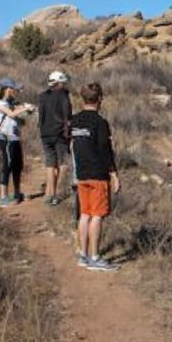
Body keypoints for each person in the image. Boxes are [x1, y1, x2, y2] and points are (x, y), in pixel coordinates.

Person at [70, 82, 121, 271]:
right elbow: (106, 151)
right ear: (99, 99)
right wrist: (114, 174)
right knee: (97, 216)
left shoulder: (74, 121)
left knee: (84, 214)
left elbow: (72, 146)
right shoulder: (100, 123)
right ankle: (95, 257)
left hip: (81, 174)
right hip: (98, 174)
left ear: (82, 99)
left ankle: (82, 255)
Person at [0, 77, 35, 207]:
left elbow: (17, 117)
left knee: (18, 165)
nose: (15, 90)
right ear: (6, 89)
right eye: (12, 88)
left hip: (14, 137)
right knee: (8, 164)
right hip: (5, 138)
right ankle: (2, 196)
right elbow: (11, 114)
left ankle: (17, 192)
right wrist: (24, 108)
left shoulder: (11, 103)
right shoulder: (0, 103)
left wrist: (27, 111)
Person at [37, 70, 73, 206]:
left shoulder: (42, 96)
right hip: (59, 134)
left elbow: (41, 115)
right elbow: (67, 116)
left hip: (45, 133)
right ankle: (56, 193)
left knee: (50, 164)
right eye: (63, 83)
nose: (64, 85)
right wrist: (69, 131)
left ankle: (49, 193)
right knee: (63, 163)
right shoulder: (64, 96)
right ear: (58, 83)